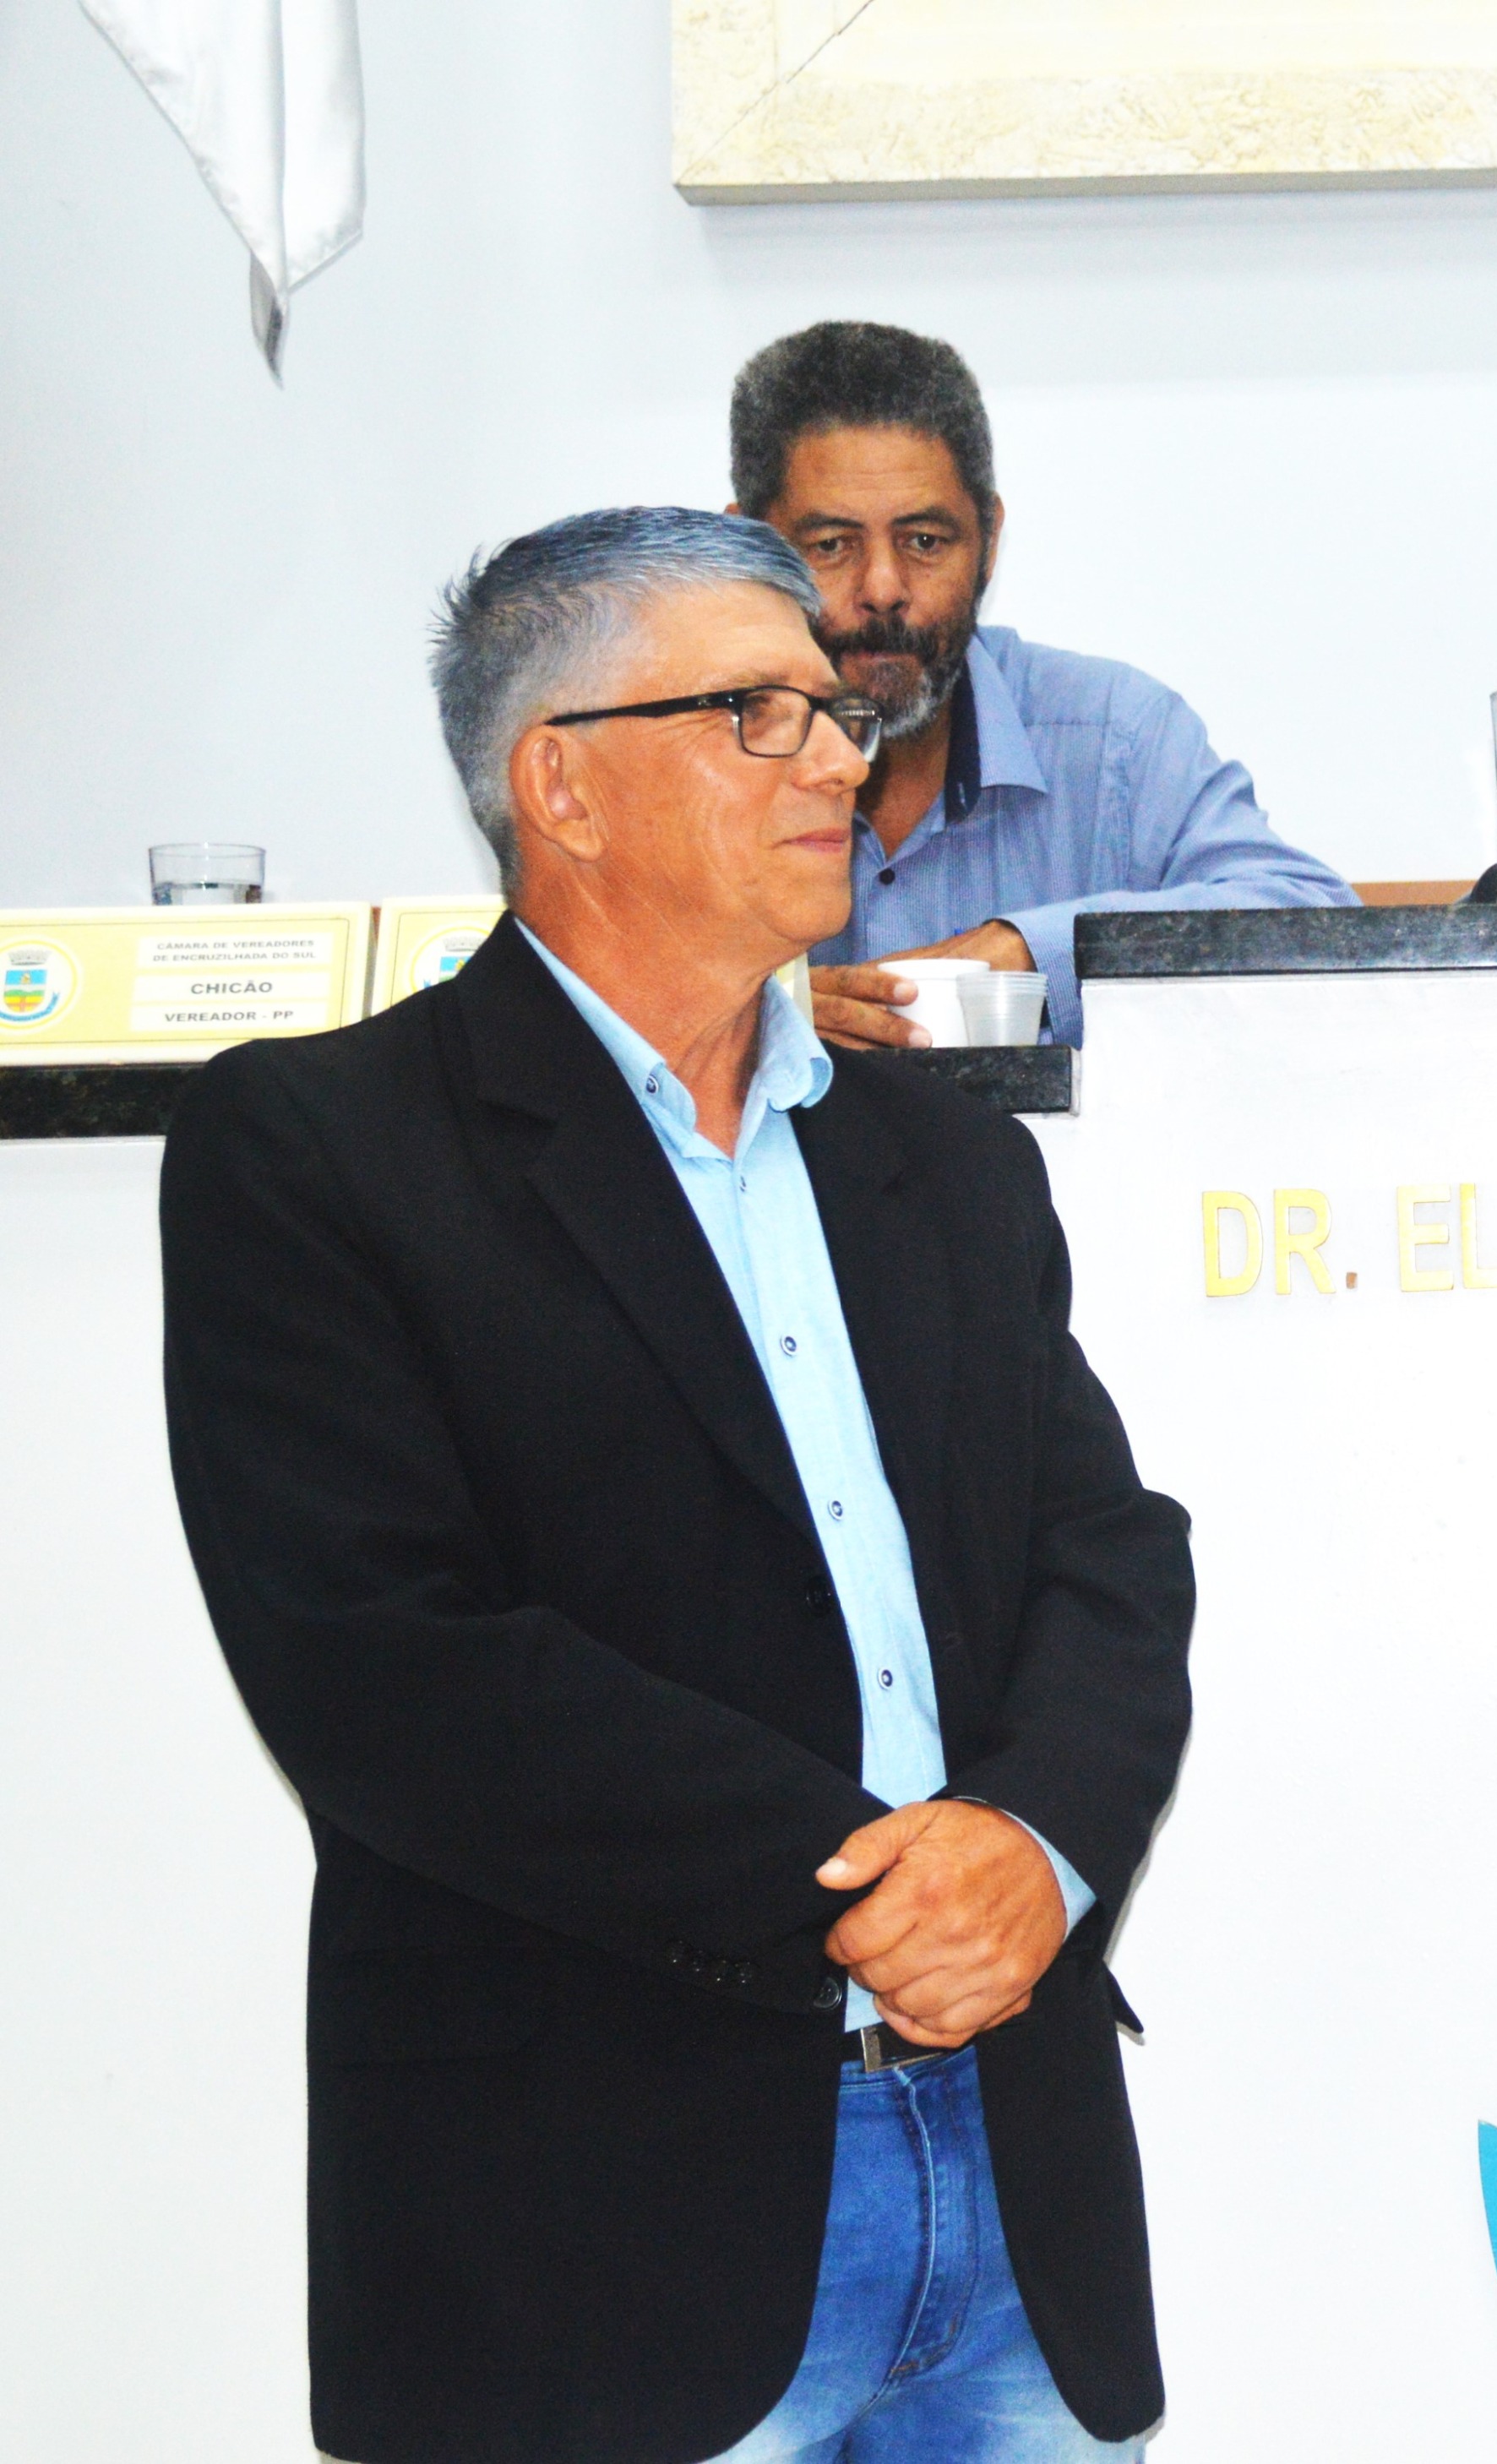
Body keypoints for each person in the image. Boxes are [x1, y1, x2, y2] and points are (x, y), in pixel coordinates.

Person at [161, 507, 1194, 2464]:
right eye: (755, 713)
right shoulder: (321, 1150)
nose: (837, 761)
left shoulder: (946, 1161)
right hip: (588, 2215)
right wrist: (872, 1879)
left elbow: (1107, 1555)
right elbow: (385, 1662)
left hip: (1012, 2169)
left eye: (834, 714)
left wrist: (1030, 1844)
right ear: (560, 780)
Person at [729, 322, 1353, 1047]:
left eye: (925, 542)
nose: (884, 588)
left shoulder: (1115, 738)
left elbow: (1317, 922)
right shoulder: (688, 752)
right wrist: (751, 1029)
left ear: (989, 542)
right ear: (746, 549)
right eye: (832, 545)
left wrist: (1034, 952)